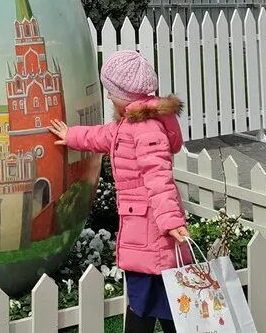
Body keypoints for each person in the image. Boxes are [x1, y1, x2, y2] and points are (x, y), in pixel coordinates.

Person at [48, 51, 187, 333]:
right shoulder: (132, 123)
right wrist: (71, 135)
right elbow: (104, 136)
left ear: (126, 94)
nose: (109, 97)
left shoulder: (145, 128)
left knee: (146, 303)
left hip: (151, 235)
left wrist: (172, 222)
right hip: (145, 234)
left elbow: (159, 178)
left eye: (111, 92)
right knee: (164, 302)